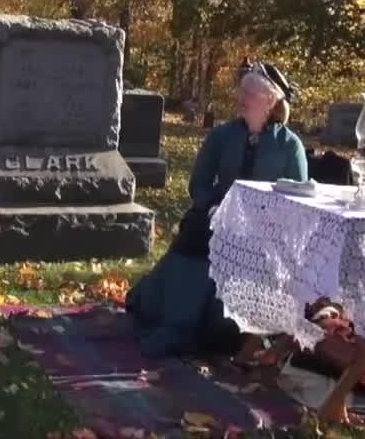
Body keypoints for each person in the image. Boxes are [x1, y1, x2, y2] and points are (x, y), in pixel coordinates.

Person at [125, 61, 307, 359]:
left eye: (249, 92)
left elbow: (298, 197)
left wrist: (267, 221)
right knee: (195, 243)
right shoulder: (222, 136)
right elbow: (198, 183)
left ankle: (227, 330)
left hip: (265, 230)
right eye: (242, 89)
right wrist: (211, 207)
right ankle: (178, 326)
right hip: (216, 217)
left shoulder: (289, 146)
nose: (241, 96)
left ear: (270, 100)